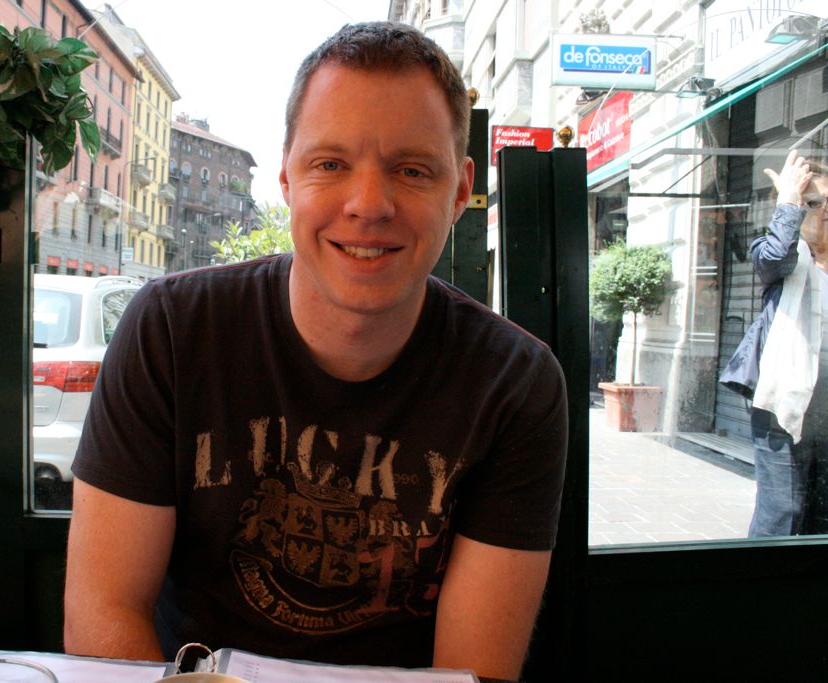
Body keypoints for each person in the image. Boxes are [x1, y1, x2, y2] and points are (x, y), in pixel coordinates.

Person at [63, 22, 567, 680]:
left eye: (412, 170)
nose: (368, 204)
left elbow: (471, 672)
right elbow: (101, 615)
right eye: (330, 164)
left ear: (461, 189)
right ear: (286, 177)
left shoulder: (515, 385)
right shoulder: (172, 331)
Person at [720, 149, 828, 537]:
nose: (824, 211)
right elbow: (774, 255)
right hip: (784, 405)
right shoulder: (784, 261)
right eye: (813, 203)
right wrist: (788, 203)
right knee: (783, 511)